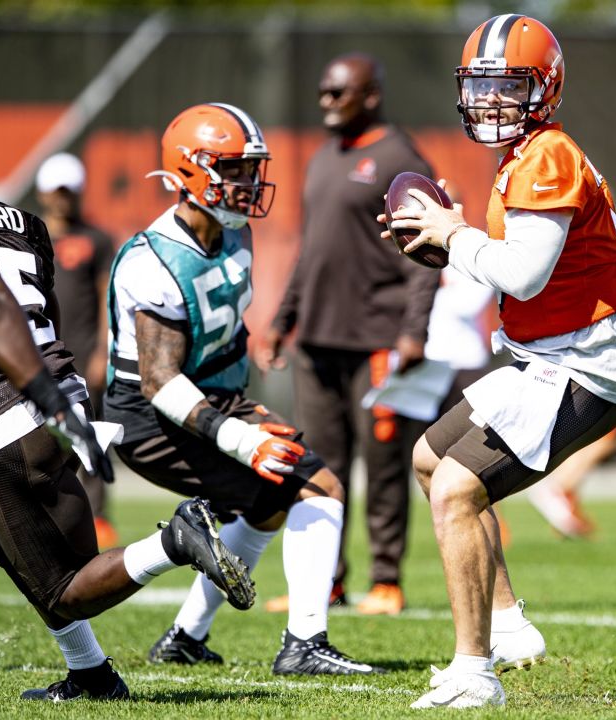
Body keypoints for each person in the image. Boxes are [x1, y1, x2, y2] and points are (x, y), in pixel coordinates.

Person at [380, 15, 616, 708]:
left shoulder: (546, 153)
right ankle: (508, 624)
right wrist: (450, 240)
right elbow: (514, 268)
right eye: (482, 86)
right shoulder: (524, 155)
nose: (491, 100)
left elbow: (523, 275)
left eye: (507, 86)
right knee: (430, 460)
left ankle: (475, 672)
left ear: (544, 90)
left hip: (581, 363)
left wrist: (454, 233)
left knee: (459, 490)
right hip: (543, 356)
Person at [104, 103, 376, 675]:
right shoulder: (154, 261)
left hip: (212, 395)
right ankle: (303, 644)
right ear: (188, 171)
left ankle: (184, 636)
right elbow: (158, 379)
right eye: (233, 169)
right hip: (152, 415)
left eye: (251, 169)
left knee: (273, 499)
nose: (248, 183)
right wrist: (238, 438)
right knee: (317, 485)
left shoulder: (235, 235)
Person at [0, 190, 256, 702]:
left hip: (1, 405)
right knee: (0, 534)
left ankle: (175, 542)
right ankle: (92, 675)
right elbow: (45, 315)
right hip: (58, 388)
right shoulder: (23, 221)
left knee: (65, 588)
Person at [255, 53, 440, 617]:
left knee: (383, 464)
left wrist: (414, 331)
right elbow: (310, 253)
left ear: (372, 95)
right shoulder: (321, 160)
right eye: (324, 93)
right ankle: (326, 583)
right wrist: (282, 321)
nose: (327, 103)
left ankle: (387, 581)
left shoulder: (399, 159)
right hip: (317, 342)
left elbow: (427, 253)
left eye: (339, 93)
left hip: (377, 340)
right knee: (319, 465)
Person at [36, 151, 119, 549]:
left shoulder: (97, 239)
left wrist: (104, 349)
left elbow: (107, 295)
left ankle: (98, 516)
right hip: (38, 348)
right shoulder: (28, 234)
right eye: (56, 191)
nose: (62, 198)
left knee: (90, 432)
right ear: (43, 192)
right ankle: (43, 509)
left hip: (83, 348)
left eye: (69, 191)